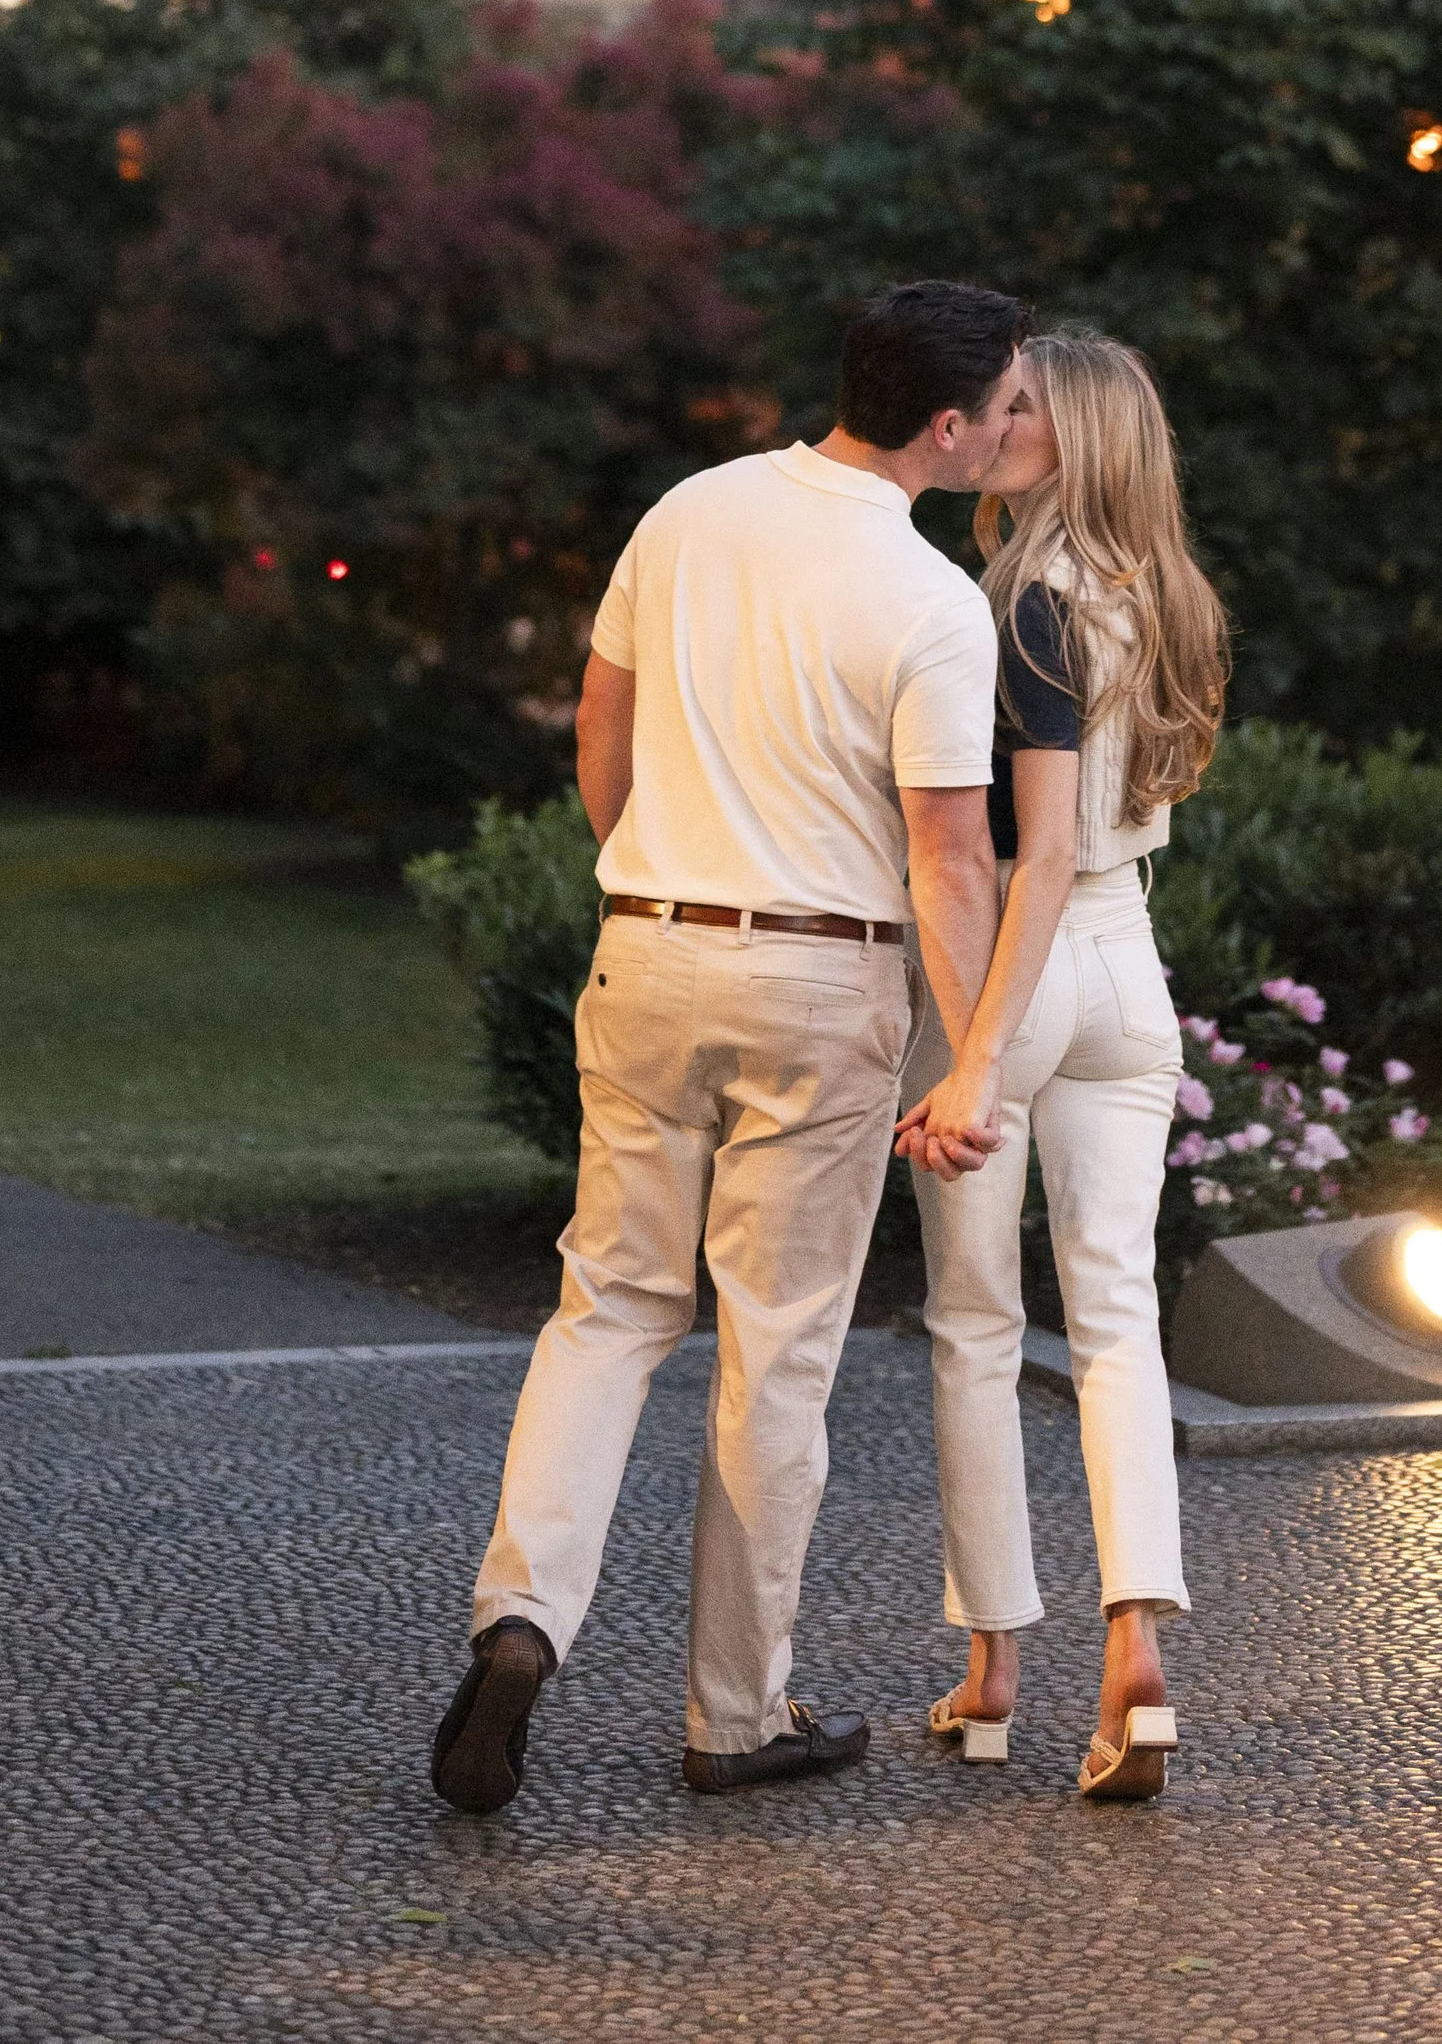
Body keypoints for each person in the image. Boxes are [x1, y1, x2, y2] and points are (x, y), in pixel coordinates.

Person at [430, 279, 1028, 1811]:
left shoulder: (686, 512)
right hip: (824, 985)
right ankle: (733, 1712)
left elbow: (596, 732)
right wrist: (974, 1062)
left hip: (646, 944)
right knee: (776, 1348)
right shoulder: (930, 603)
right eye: (1008, 403)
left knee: (608, 1307)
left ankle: (521, 1619)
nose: (1017, 423)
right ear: (946, 426)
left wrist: (659, 884)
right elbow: (951, 859)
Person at [895, 331, 1229, 1802]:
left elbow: (1024, 859)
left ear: (1080, 435)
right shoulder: (1166, 596)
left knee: (974, 1324)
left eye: (1024, 405)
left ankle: (993, 1673)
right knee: (1116, 1317)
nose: (996, 420)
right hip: (1132, 974)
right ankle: (1139, 1654)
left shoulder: (1024, 602)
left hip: (1019, 967)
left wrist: (974, 1054)